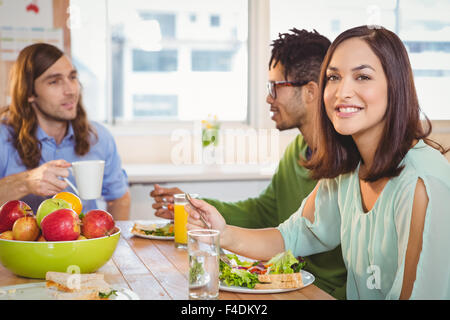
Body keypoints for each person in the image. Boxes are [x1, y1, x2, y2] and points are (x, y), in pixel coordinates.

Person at [186, 25, 450, 300]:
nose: (342, 91)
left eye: (362, 76)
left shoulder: (423, 185)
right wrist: (222, 232)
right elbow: (289, 237)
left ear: (395, 87)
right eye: (334, 77)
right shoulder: (348, 172)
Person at [150, 29, 348, 299]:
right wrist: (195, 206)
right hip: (288, 284)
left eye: (275, 87)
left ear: (311, 92)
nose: (269, 98)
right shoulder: (297, 152)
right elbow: (263, 212)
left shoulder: (350, 164)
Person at [0, 43, 130, 220]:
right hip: (20, 246)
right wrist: (26, 182)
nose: (71, 91)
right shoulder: (3, 137)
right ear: (29, 92)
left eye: (73, 77)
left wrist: (112, 242)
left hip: (83, 244)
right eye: (54, 81)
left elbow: (119, 198)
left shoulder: (99, 137)